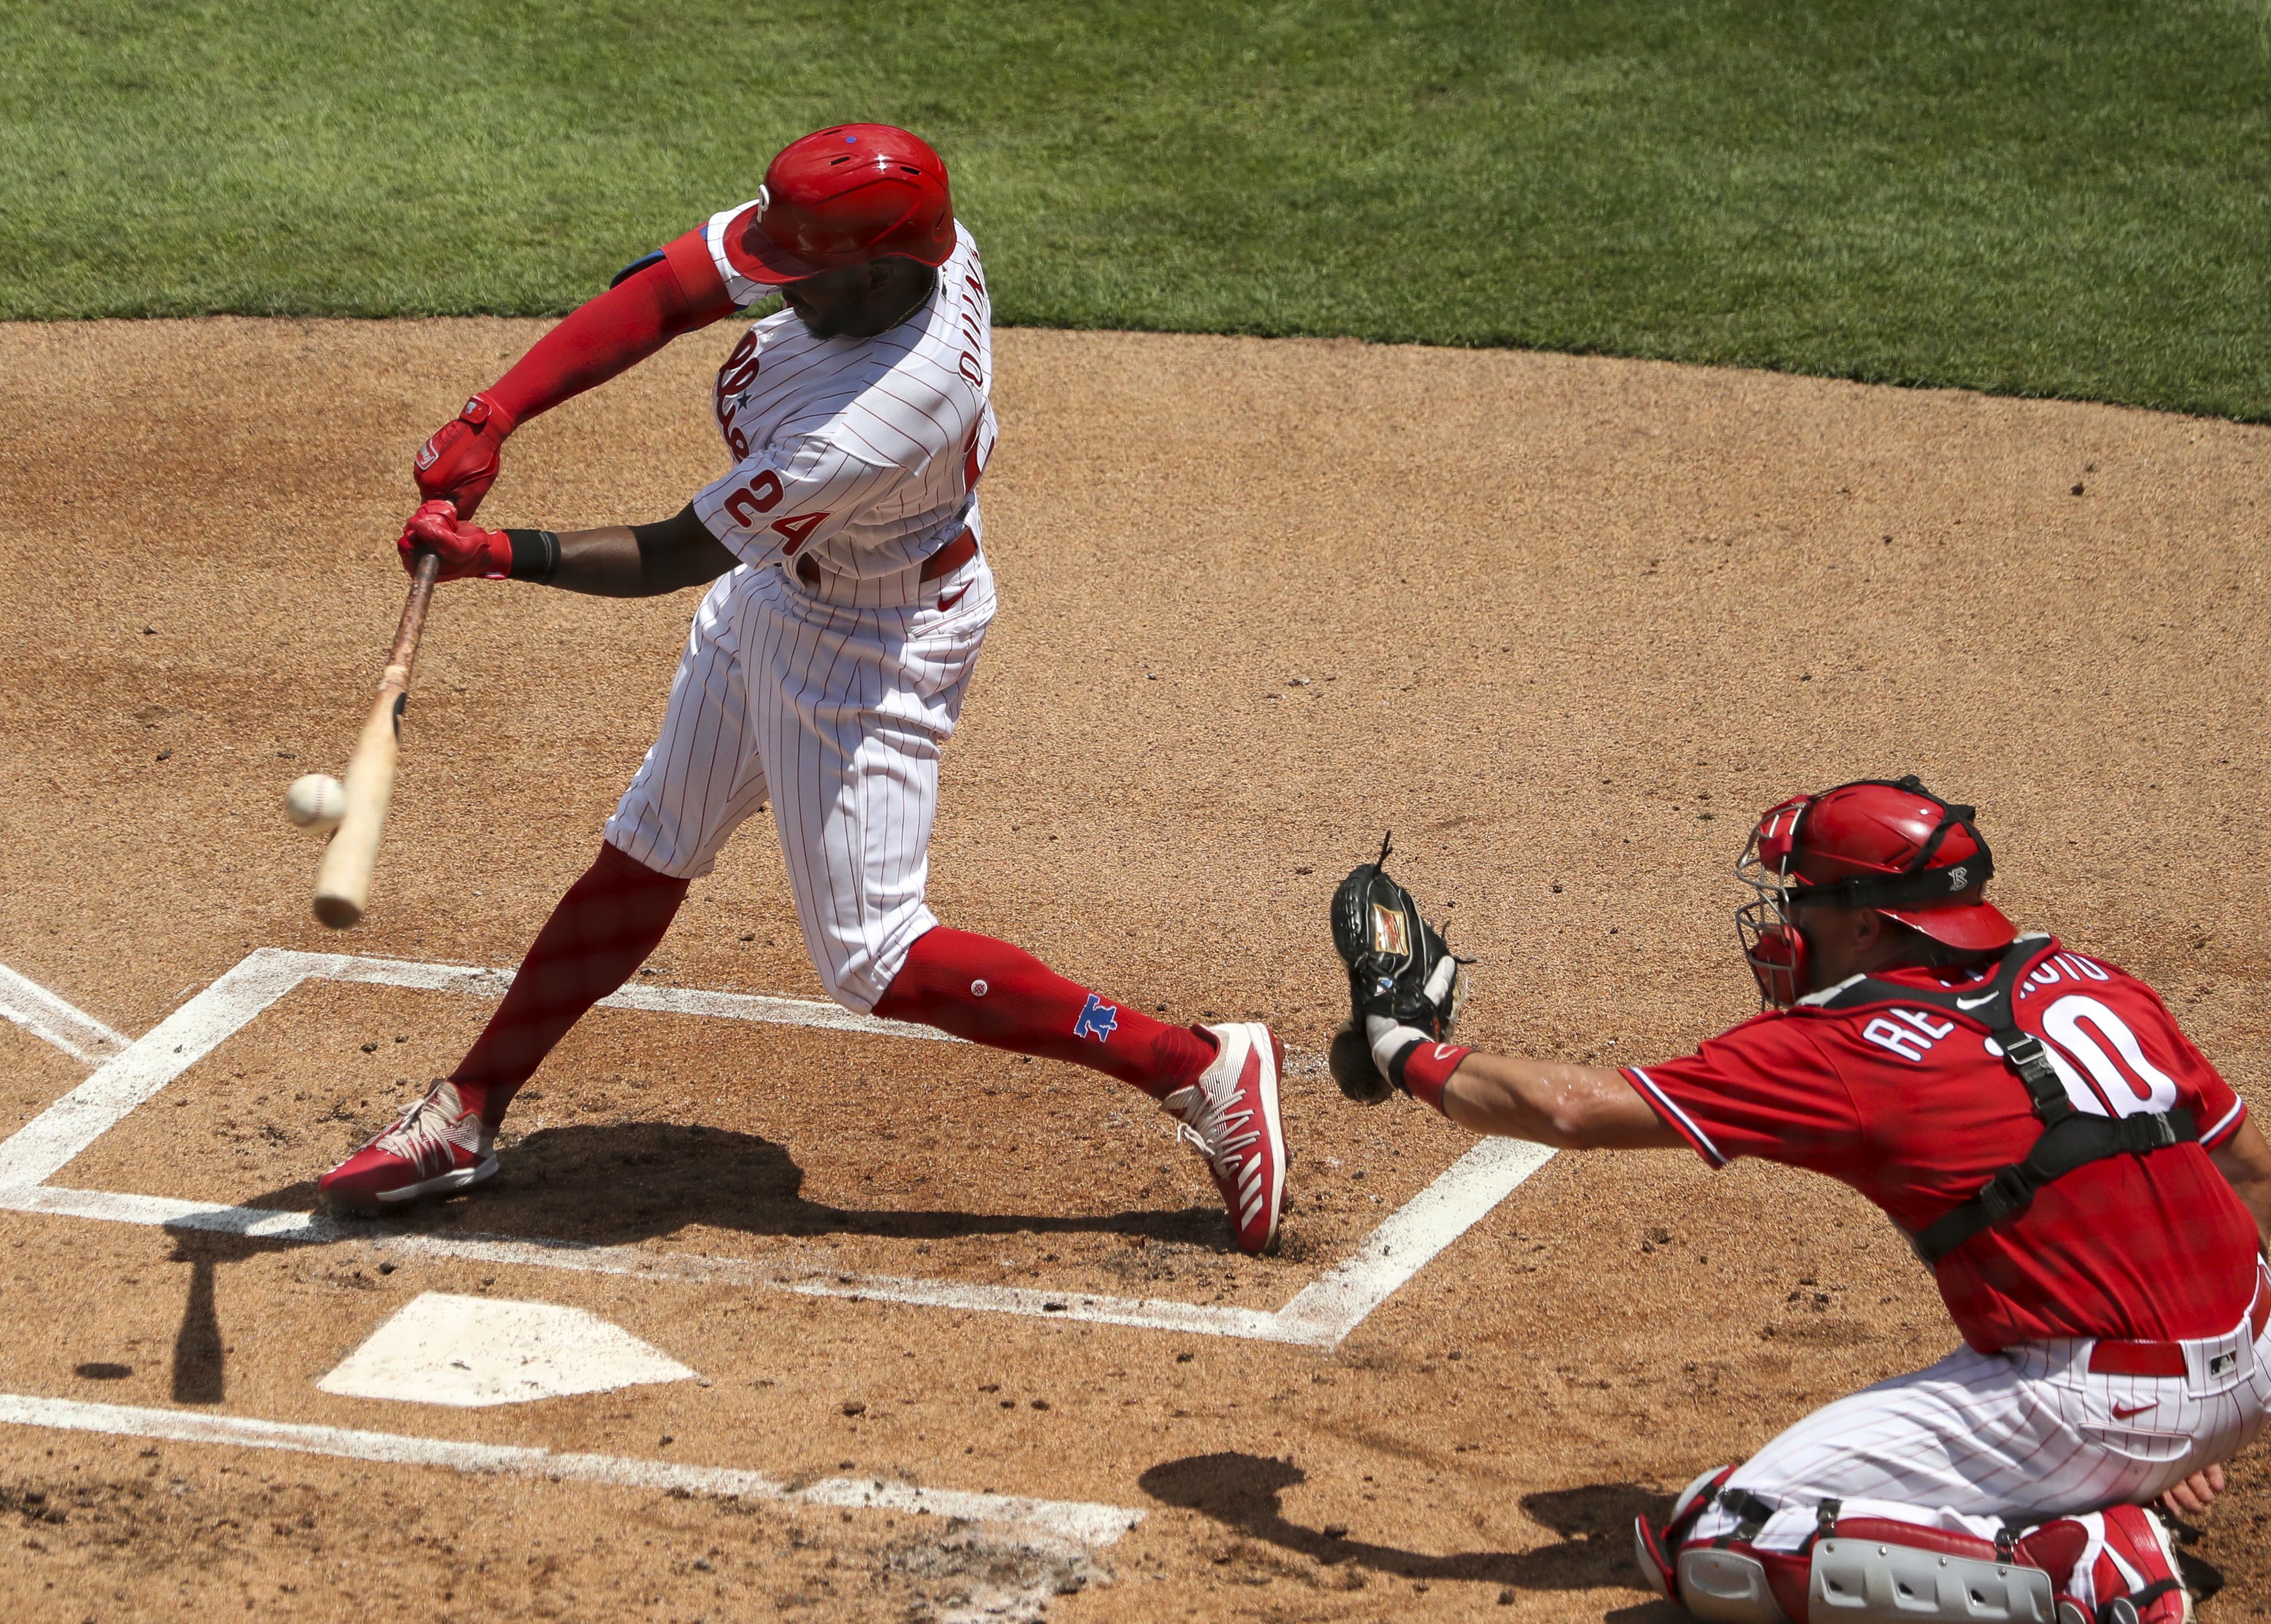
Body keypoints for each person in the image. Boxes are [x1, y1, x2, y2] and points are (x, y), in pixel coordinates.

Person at [317, 124, 1288, 1255]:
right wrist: (495, 414)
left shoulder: (882, 416)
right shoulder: (907, 239)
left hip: (866, 642)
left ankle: (1200, 1068)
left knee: (872, 955)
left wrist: (501, 555)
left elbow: (679, 551)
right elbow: (677, 287)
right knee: (651, 843)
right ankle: (468, 1113)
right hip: (789, 589)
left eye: (801, 273)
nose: (770, 283)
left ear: (880, 271)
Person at [1342, 776, 2269, 1623]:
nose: (1780, 923)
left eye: (1799, 899)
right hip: (2250, 1351)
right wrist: (2205, 1399)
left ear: (1866, 925)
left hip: (2094, 1395)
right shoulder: (2097, 984)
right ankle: (2113, 1477)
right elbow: (2251, 1170)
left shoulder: (1844, 1044)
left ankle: (2080, 1569)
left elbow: (1572, 1109)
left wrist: (1400, 1044)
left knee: (1718, 1538)